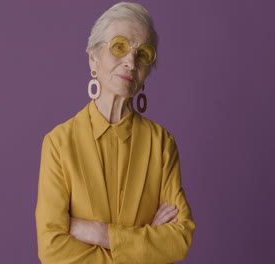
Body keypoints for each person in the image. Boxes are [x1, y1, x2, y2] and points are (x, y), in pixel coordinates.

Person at [35, 2, 196, 263]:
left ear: (146, 72)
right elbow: (52, 249)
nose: (131, 62)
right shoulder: (59, 143)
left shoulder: (162, 143)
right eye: (119, 47)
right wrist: (143, 245)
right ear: (93, 59)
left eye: (142, 54)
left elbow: (179, 240)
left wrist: (100, 234)